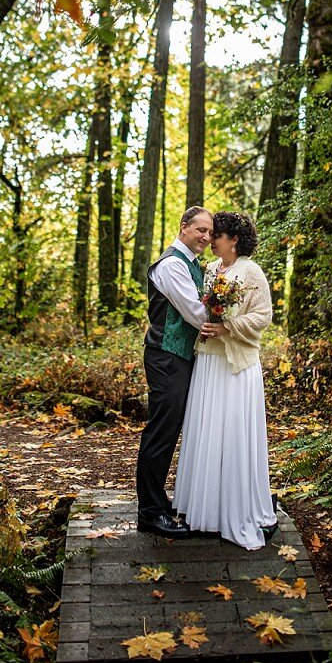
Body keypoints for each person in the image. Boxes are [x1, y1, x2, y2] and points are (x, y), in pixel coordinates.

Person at [173, 211, 280, 549]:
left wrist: (228, 326)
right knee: (207, 430)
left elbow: (263, 316)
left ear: (233, 239)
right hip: (209, 362)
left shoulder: (250, 271)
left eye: (217, 234)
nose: (211, 239)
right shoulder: (208, 271)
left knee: (233, 434)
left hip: (237, 367)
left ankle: (235, 509)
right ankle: (204, 509)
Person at [137, 207, 213, 536]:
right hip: (166, 356)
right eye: (200, 230)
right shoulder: (171, 265)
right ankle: (150, 513)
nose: (206, 238)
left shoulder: (193, 266)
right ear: (183, 228)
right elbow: (197, 313)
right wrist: (235, 322)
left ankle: (158, 502)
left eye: (210, 233)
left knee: (170, 431)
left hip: (178, 356)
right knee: (161, 432)